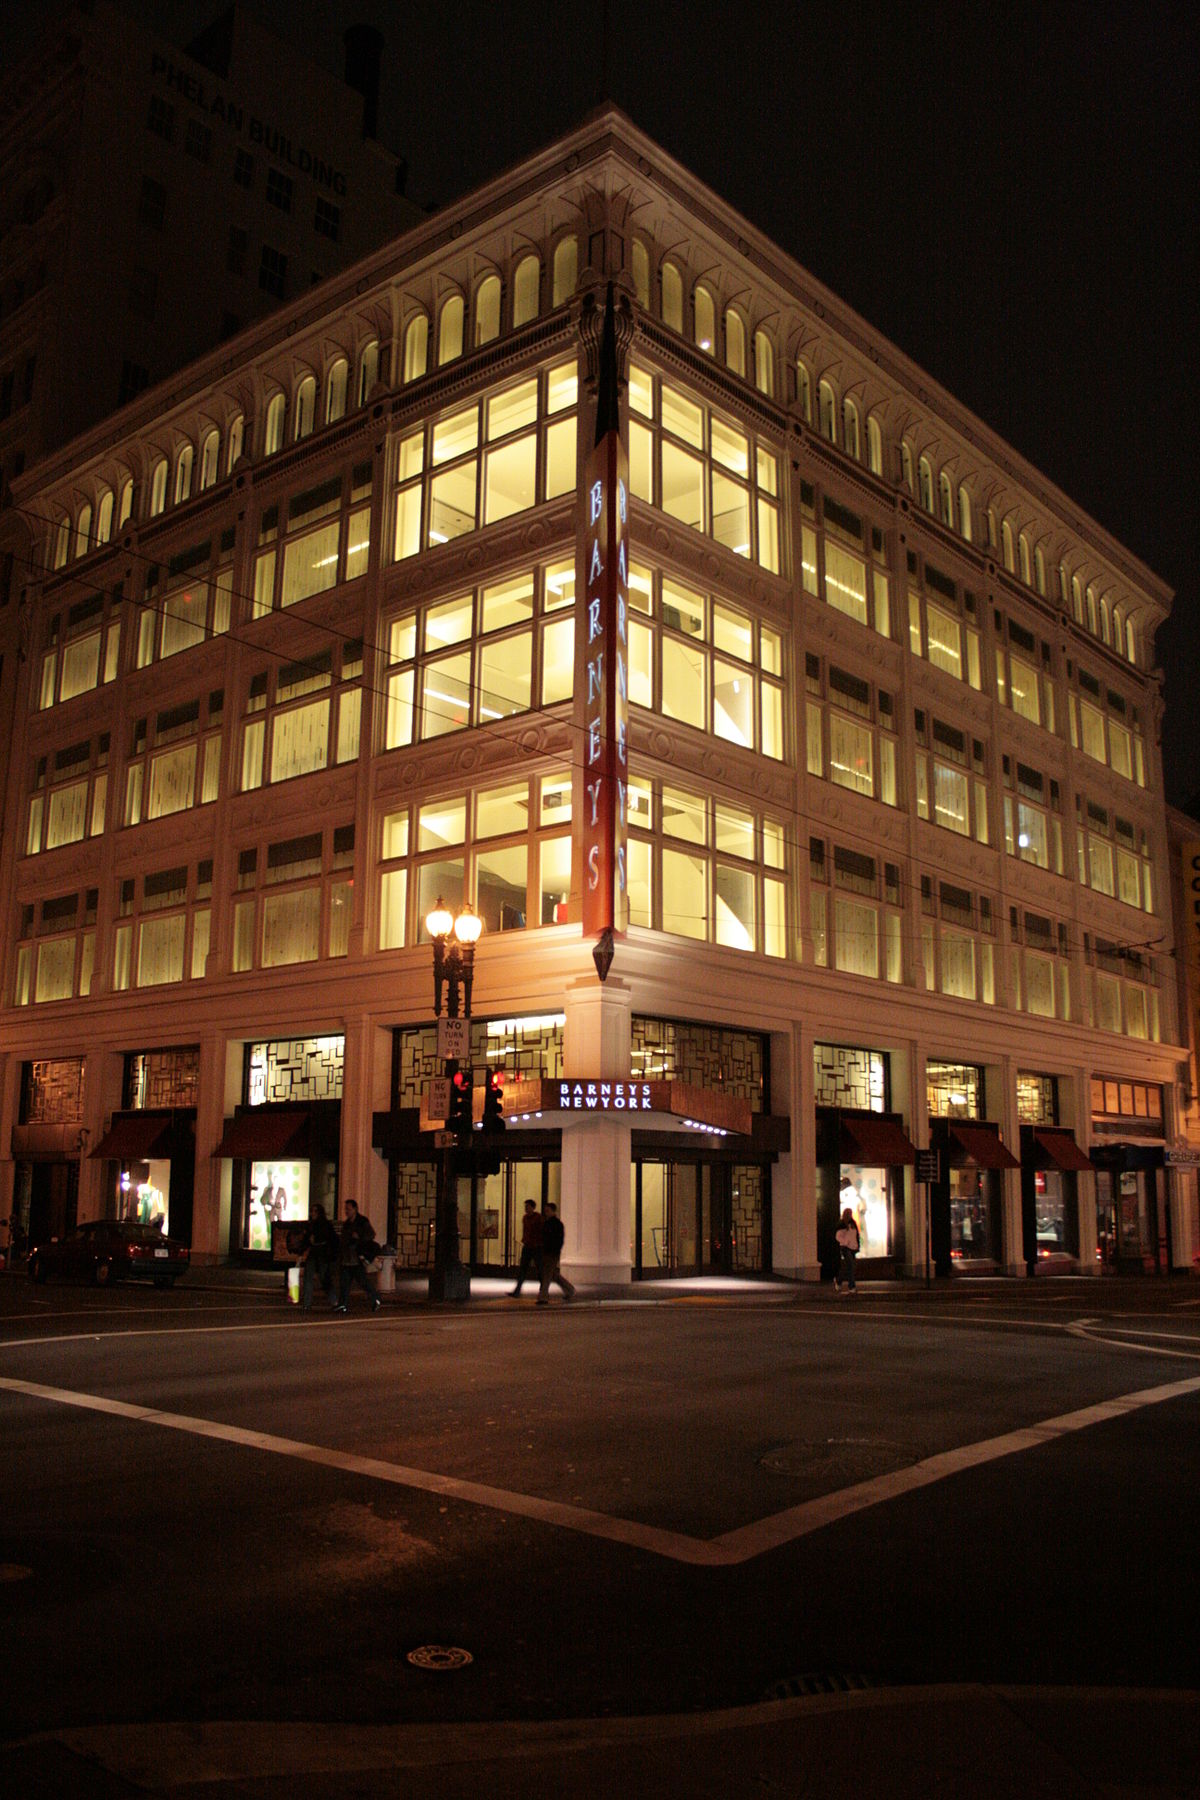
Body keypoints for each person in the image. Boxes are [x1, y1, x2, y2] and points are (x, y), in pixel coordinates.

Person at [334, 1198, 381, 1314]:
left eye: (348, 1209)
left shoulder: (362, 1222)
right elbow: (344, 1241)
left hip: (357, 1257)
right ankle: (342, 1304)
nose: (346, 1211)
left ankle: (375, 1298)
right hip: (347, 1257)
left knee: (363, 1281)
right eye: (346, 1209)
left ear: (355, 1209)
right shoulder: (347, 1224)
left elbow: (371, 1234)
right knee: (344, 1283)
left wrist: (359, 1237)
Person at [297, 1202, 338, 1310]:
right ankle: (307, 1303)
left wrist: (315, 1240)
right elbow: (307, 1239)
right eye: (312, 1211)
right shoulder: (311, 1225)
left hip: (323, 1253)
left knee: (324, 1277)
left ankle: (333, 1299)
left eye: (315, 1211)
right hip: (314, 1252)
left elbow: (330, 1238)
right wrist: (302, 1250)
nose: (312, 1213)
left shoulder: (324, 1224)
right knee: (308, 1276)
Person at [536, 1202, 575, 1305]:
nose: (546, 1212)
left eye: (547, 1210)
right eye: (545, 1211)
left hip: (552, 1252)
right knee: (552, 1274)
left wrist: (555, 1249)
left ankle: (543, 1296)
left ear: (553, 1211)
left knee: (547, 1274)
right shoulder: (547, 1223)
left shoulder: (556, 1224)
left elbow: (559, 1239)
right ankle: (570, 1289)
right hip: (547, 1251)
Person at [510, 1198, 543, 1296]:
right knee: (522, 1269)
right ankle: (517, 1291)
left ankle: (543, 1290)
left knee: (540, 1269)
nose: (526, 1208)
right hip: (528, 1245)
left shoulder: (538, 1218)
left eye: (527, 1206)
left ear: (532, 1207)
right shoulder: (525, 1218)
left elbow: (540, 1231)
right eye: (525, 1206)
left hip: (536, 1246)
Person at [835, 1206, 861, 1293]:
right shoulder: (841, 1224)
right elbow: (838, 1236)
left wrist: (857, 1245)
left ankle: (839, 1280)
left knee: (848, 1266)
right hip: (845, 1248)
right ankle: (851, 1286)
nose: (850, 1215)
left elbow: (856, 1235)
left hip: (852, 1247)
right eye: (849, 1213)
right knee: (850, 1266)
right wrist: (845, 1242)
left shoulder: (853, 1223)